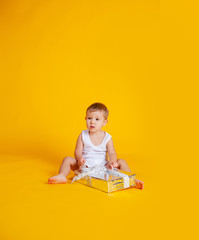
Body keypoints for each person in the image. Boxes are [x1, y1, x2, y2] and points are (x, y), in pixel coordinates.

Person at [48, 102, 144, 189]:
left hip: (103, 166)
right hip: (85, 166)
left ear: (104, 122)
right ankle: (62, 175)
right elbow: (77, 151)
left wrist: (112, 162)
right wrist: (79, 158)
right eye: (89, 118)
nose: (92, 122)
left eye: (97, 119)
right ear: (85, 118)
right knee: (68, 159)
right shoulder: (82, 135)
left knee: (122, 161)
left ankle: (131, 180)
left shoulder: (107, 138)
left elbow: (112, 153)